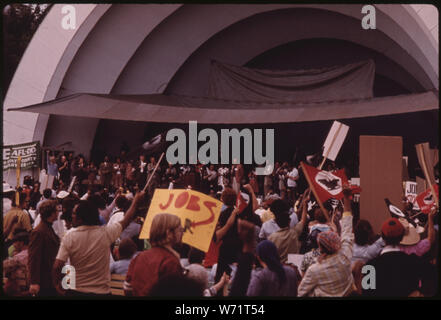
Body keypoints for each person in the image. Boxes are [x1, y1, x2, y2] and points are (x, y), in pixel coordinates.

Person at [52, 191, 144, 296]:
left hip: (77, 291)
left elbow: (57, 266)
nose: (72, 216)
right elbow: (126, 221)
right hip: (102, 292)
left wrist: (57, 284)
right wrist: (136, 201)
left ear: (80, 218)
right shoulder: (106, 233)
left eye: (74, 214)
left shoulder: (70, 236)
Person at [298, 186, 354, 297]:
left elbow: (301, 293)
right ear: (337, 243)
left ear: (320, 246)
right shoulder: (345, 256)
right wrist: (346, 199)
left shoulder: (314, 270)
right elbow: (347, 228)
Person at [363, 214, 435, 297]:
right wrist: (419, 292)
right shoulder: (414, 261)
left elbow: (366, 294)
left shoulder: (369, 266)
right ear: (401, 238)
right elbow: (433, 276)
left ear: (382, 237)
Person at [124, 213, 184, 296]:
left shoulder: (139, 257)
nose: (182, 233)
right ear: (169, 233)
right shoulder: (170, 262)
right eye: (180, 230)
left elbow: (127, 288)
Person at [28, 200, 60, 296]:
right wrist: (34, 282)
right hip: (44, 278)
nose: (58, 213)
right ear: (52, 213)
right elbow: (34, 257)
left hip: (49, 276)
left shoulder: (47, 228)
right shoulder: (39, 231)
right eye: (57, 211)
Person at [268, 195, 308, 263]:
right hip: (294, 265)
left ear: (276, 222)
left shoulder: (271, 238)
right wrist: (305, 206)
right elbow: (303, 220)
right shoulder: (294, 232)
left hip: (279, 267)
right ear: (289, 221)